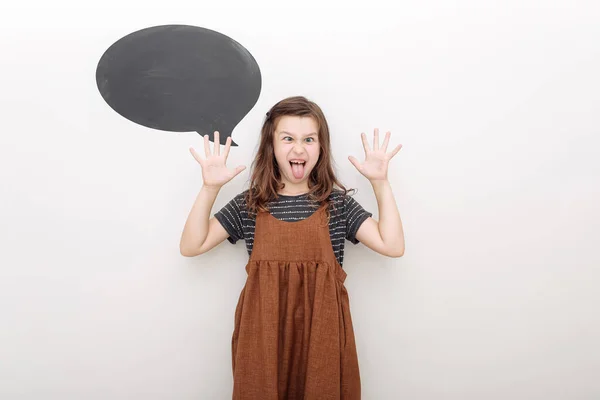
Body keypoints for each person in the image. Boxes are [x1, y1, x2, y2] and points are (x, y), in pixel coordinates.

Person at [180, 96, 405, 399]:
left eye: (309, 139)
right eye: (288, 138)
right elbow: (192, 245)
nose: (298, 148)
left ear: (321, 148)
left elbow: (392, 245)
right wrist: (210, 188)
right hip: (263, 336)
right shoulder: (251, 203)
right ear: (271, 147)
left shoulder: (337, 204)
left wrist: (380, 183)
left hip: (322, 337)